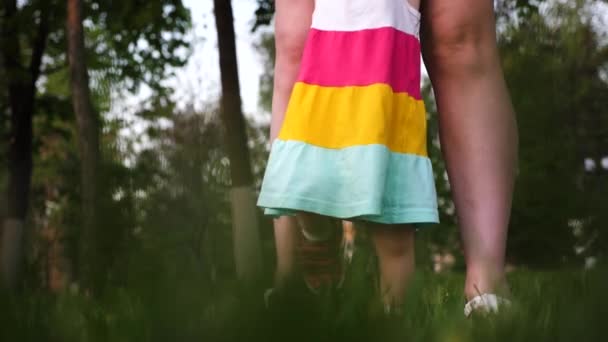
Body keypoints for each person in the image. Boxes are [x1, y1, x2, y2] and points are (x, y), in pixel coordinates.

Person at [258, 0, 518, 316]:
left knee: (459, 34)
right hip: (323, 100)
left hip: (391, 117)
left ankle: (482, 285)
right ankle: (295, 268)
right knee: (296, 41)